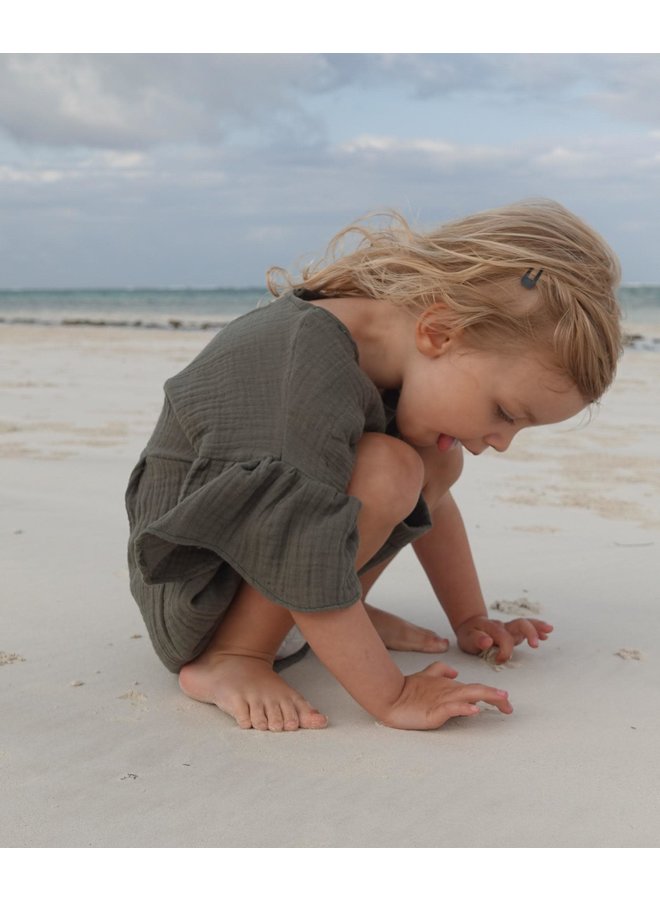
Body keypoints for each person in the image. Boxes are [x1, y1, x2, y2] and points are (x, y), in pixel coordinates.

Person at [125, 199, 622, 733]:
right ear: (440, 331)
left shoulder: (389, 348)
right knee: (387, 467)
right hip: (198, 599)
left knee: (433, 459)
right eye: (504, 413)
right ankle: (237, 655)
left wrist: (470, 619)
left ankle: (332, 614)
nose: (500, 443)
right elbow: (299, 536)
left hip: (285, 562)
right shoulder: (306, 364)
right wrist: (393, 694)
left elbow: (434, 503)